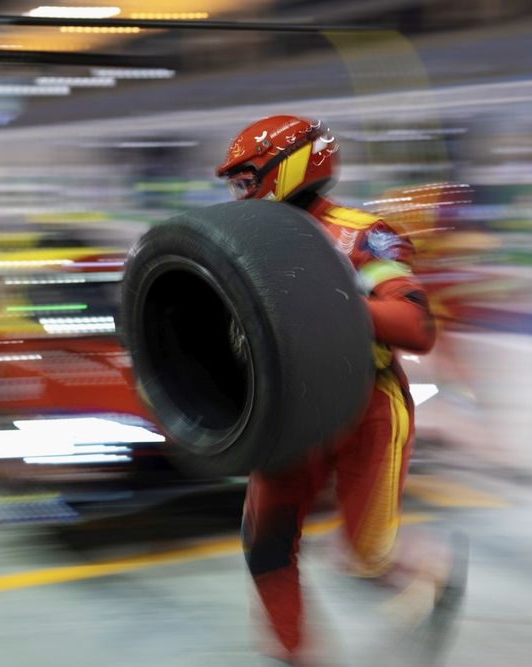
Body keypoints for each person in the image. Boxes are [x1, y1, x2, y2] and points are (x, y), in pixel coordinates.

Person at [216, 115, 468, 665]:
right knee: (265, 546)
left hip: (367, 409)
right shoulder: (243, 243)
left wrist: (326, 301)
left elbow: (416, 327)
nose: (238, 193)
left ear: (289, 167)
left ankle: (432, 572)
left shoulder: (363, 234)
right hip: (289, 410)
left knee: (364, 559)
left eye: (245, 179)